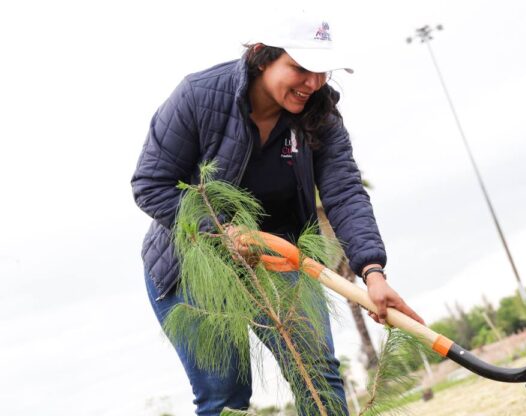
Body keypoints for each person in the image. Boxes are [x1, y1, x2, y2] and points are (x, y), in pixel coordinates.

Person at [131, 14, 423, 416]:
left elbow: (344, 192)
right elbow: (151, 184)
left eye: (322, 71)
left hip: (280, 257)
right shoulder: (199, 96)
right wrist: (219, 230)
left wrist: (372, 270)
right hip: (190, 267)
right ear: (261, 57)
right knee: (225, 397)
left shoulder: (320, 115)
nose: (313, 83)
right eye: (301, 68)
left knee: (318, 377)